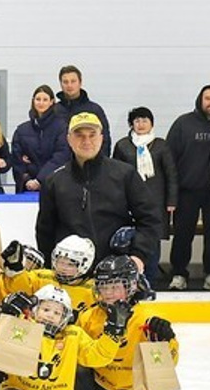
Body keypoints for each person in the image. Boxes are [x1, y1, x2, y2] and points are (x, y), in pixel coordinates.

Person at [73, 255, 179, 390]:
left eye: (115, 286)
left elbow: (164, 367)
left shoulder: (145, 320)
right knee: (72, 371)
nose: (109, 293)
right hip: (95, 382)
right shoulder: (89, 317)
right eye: (104, 287)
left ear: (130, 286)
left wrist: (166, 343)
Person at [35, 113, 161, 274]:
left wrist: (138, 256)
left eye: (92, 135)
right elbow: (45, 231)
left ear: (101, 138)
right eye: (79, 135)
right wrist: (50, 270)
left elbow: (150, 219)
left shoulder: (125, 174)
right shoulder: (54, 181)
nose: (86, 141)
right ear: (69, 139)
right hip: (71, 276)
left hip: (116, 276)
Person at [166, 85, 210, 291]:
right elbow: (169, 158)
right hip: (187, 191)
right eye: (207, 98)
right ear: (200, 100)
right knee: (183, 235)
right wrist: (171, 192)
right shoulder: (183, 124)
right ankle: (178, 274)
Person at [112, 107, 177, 278]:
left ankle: (152, 278)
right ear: (131, 124)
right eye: (137, 121)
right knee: (128, 238)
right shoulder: (122, 145)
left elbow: (171, 174)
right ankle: (129, 278)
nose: (141, 124)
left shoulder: (161, 145)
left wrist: (172, 201)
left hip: (156, 201)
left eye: (145, 120)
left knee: (152, 239)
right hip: (127, 201)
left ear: (152, 124)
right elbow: (114, 174)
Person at [10, 85, 70, 193]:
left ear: (51, 102)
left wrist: (40, 180)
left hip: (54, 186)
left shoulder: (61, 127)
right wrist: (27, 180)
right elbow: (17, 159)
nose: (41, 103)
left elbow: (61, 156)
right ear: (33, 101)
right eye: (38, 99)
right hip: (27, 189)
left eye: (45, 99)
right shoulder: (22, 130)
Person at [55, 65, 110, 155]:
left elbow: (105, 140)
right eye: (65, 82)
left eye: (73, 81)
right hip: (61, 163)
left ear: (80, 83)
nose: (69, 85)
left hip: (90, 163)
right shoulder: (54, 110)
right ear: (61, 84)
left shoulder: (94, 109)